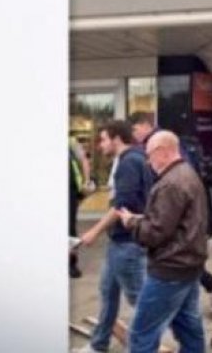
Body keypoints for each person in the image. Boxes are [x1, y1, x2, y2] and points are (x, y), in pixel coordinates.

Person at [129, 110, 212, 317]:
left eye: (135, 129)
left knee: (180, 256)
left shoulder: (164, 143)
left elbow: (178, 180)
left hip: (171, 210)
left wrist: (141, 219)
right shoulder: (150, 146)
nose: (134, 134)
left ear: (146, 125)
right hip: (163, 209)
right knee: (188, 315)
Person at [118, 130, 208, 353]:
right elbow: (176, 221)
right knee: (189, 328)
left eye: (149, 156)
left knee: (141, 334)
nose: (148, 163)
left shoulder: (170, 183)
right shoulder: (187, 173)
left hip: (170, 269)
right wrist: (146, 219)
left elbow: (154, 233)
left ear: (162, 151)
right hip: (189, 265)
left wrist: (131, 222)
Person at [73, 121, 153, 353]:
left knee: (140, 302)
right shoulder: (135, 157)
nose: (100, 145)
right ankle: (99, 345)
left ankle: (142, 348)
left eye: (104, 139)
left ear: (117, 138)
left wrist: (93, 232)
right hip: (119, 243)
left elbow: (122, 207)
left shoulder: (129, 163)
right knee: (108, 293)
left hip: (128, 245)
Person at [69, 136, 92, 278]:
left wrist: (87, 180)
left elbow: (83, 160)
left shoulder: (70, 141)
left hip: (69, 190)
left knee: (69, 228)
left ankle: (71, 263)